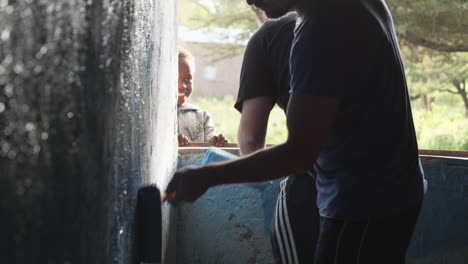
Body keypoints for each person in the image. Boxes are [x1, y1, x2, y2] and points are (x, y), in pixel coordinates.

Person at [167, 1, 426, 263]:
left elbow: (294, 152)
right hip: (404, 190)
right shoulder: (360, 6)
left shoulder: (319, 30)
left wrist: (204, 176)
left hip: (361, 203)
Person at [235, 12, 319, 264]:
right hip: (397, 188)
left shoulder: (267, 37)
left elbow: (250, 141)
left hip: (322, 187)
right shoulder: (356, 18)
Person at [177, 47, 228, 147]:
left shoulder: (202, 117)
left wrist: (217, 143)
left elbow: (209, 151)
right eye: (175, 78)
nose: (182, 86)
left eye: (188, 79)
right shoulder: (155, 117)